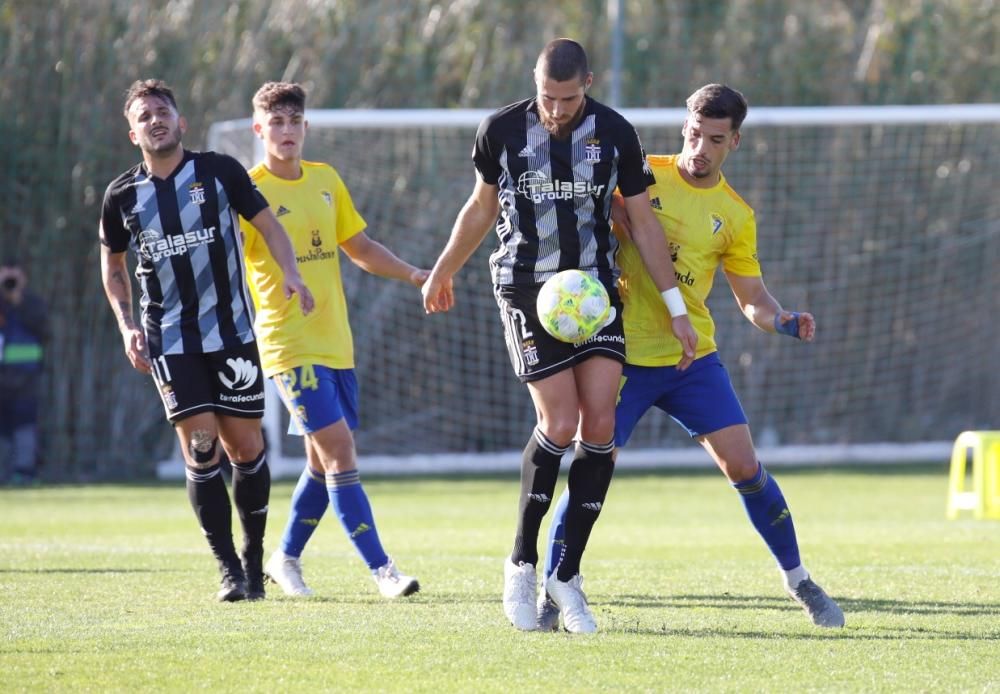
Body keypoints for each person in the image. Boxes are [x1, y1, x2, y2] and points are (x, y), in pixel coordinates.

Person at [540, 84, 845, 629]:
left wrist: (781, 320)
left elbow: (751, 300)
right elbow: (598, 215)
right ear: (685, 126)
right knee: (593, 469)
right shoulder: (642, 173)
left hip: (690, 361)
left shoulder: (734, 214)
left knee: (745, 467)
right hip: (622, 355)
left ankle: (799, 580)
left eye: (715, 139)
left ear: (736, 142)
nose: (700, 147)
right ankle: (555, 585)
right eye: (694, 134)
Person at [421, 38, 698, 634]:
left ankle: (564, 575)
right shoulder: (500, 131)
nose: (556, 108)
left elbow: (643, 223)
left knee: (600, 425)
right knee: (560, 422)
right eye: (548, 97)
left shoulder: (616, 134)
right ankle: (522, 559)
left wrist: (677, 309)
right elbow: (478, 208)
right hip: (525, 287)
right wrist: (444, 268)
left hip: (595, 292)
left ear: (588, 85)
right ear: (535, 83)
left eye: (568, 98)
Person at [99, 79, 314, 602]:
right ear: (133, 133)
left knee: (247, 447)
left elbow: (268, 225)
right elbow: (112, 264)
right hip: (170, 342)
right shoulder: (122, 195)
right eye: (145, 115)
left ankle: (254, 557)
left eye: (163, 111)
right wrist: (128, 325)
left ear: (181, 121)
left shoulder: (219, 171)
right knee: (201, 450)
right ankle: (228, 571)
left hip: (234, 334)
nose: (155, 119)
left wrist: (292, 272)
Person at [240, 82, 424, 600]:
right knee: (342, 451)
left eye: (293, 121)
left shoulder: (325, 180)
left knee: (323, 462)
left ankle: (285, 558)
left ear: (306, 127)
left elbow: (359, 246)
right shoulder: (248, 192)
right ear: (259, 129)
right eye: (275, 123)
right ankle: (383, 571)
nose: (286, 131)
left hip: (335, 343)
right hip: (287, 344)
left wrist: (414, 275)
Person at [0, 257, 48, 485]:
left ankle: (24, 474)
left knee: (25, 428)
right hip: (2, 378)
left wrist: (17, 300)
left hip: (26, 379)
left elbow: (44, 330)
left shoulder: (32, 303)